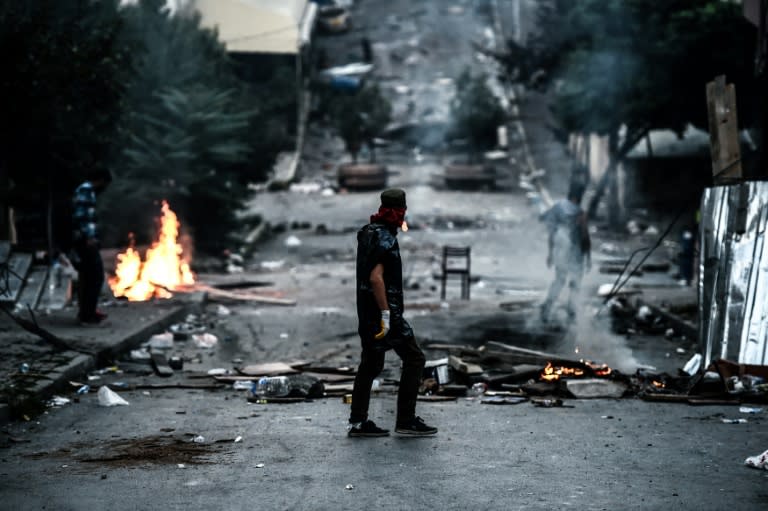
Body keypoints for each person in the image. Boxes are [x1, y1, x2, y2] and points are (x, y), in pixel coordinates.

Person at [348, 189, 437, 437]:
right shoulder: (384, 237)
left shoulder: (368, 232)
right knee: (414, 358)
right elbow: (376, 279)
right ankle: (406, 420)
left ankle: (357, 422)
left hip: (367, 312)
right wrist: (386, 314)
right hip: (385, 313)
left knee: (370, 364)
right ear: (400, 210)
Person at [540, 182, 591, 322]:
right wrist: (588, 257)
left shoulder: (557, 208)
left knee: (559, 279)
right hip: (576, 252)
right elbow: (585, 236)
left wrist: (550, 253)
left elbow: (552, 232)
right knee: (575, 282)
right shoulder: (580, 213)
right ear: (577, 196)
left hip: (561, 249)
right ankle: (571, 311)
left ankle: (547, 307)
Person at [71, 169, 111, 324]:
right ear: (101, 180)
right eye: (105, 184)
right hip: (85, 241)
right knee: (95, 276)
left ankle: (87, 312)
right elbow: (82, 216)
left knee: (87, 276)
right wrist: (89, 238)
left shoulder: (85, 190)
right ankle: (87, 314)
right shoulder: (86, 190)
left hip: (84, 240)